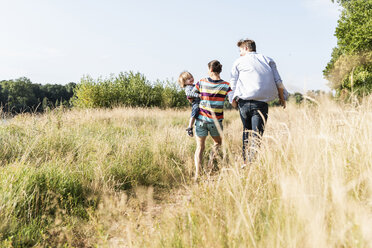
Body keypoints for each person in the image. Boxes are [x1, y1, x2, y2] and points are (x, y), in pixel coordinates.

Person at [229, 39, 286, 164]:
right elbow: (278, 81)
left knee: (246, 131)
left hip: (243, 103)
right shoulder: (268, 60)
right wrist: (282, 98)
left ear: (246, 48)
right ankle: (251, 163)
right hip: (261, 104)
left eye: (240, 50)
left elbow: (232, 83)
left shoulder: (238, 62)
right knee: (257, 134)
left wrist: (232, 100)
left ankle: (245, 161)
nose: (239, 53)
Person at [192, 60, 232, 181]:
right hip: (216, 122)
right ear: (220, 70)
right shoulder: (226, 85)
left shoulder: (201, 82)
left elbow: (192, 96)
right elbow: (233, 99)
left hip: (201, 121)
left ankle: (197, 175)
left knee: (200, 147)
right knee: (217, 143)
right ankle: (209, 166)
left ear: (210, 70)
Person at [178, 71, 200, 137]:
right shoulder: (188, 87)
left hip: (200, 102)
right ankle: (189, 127)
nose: (191, 79)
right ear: (184, 82)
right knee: (195, 112)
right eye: (188, 79)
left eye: (191, 77)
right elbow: (189, 94)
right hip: (196, 102)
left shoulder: (194, 85)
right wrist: (198, 95)